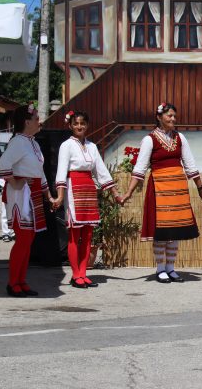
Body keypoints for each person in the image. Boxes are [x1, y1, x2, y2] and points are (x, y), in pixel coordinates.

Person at [120, 103, 202, 283]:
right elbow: (140, 168)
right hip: (159, 188)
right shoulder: (149, 140)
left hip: (177, 189)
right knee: (162, 231)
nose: (173, 119)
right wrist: (128, 192)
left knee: (175, 230)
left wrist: (200, 188)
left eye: (174, 116)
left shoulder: (180, 138)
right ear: (159, 117)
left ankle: (171, 268)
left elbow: (190, 165)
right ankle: (160, 269)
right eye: (169, 116)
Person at [52, 111, 122, 288]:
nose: (79, 126)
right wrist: (60, 195)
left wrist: (114, 192)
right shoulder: (66, 145)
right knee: (75, 234)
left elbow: (101, 170)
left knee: (88, 233)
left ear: (87, 125)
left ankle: (83, 273)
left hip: (89, 188)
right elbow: (61, 171)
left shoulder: (91, 146)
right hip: (73, 188)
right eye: (76, 123)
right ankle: (76, 275)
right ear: (70, 126)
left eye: (82, 123)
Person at [0, 104, 55, 297]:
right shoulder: (18, 142)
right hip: (21, 195)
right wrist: (14, 182)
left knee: (28, 240)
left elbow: (39, 172)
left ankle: (21, 281)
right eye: (37, 119)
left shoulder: (34, 143)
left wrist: (48, 195)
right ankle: (13, 282)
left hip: (34, 193)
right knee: (23, 239)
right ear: (27, 122)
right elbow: (3, 165)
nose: (39, 122)